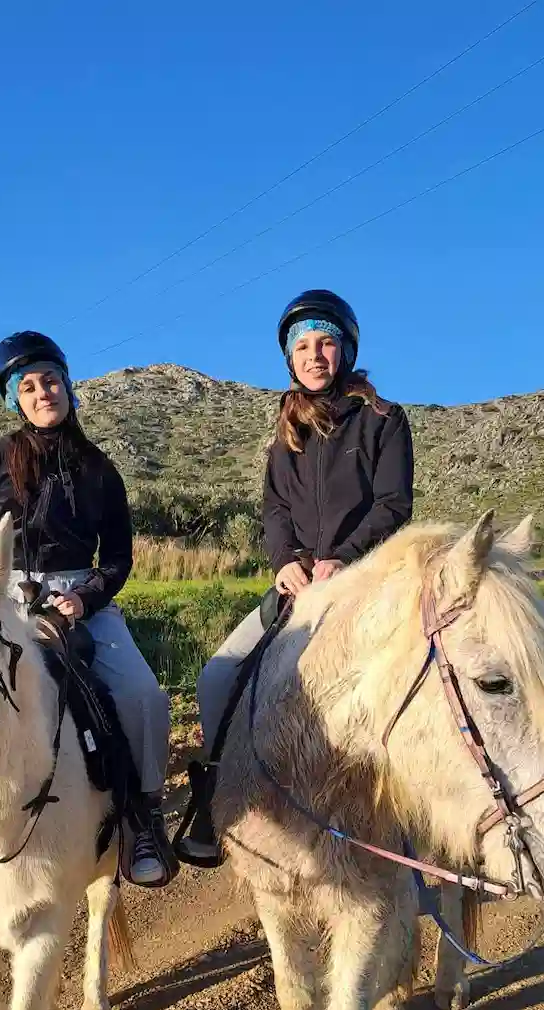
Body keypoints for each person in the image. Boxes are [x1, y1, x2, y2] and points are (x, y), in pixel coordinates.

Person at [177, 289, 415, 865]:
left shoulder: (384, 420)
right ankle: (217, 805)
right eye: (302, 346)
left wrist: (342, 558)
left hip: (363, 579)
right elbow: (275, 511)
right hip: (298, 587)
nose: (315, 355)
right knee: (217, 680)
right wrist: (285, 562)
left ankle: (412, 817)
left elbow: (393, 505)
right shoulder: (286, 430)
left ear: (346, 349)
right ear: (290, 358)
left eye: (326, 342)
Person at [0, 330, 178, 888]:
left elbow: (120, 559)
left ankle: (142, 818)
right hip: (5, 603)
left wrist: (80, 601)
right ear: (15, 400)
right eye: (27, 387)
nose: (42, 393)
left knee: (142, 696)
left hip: (83, 602)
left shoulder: (100, 469)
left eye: (50, 380)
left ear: (67, 384)